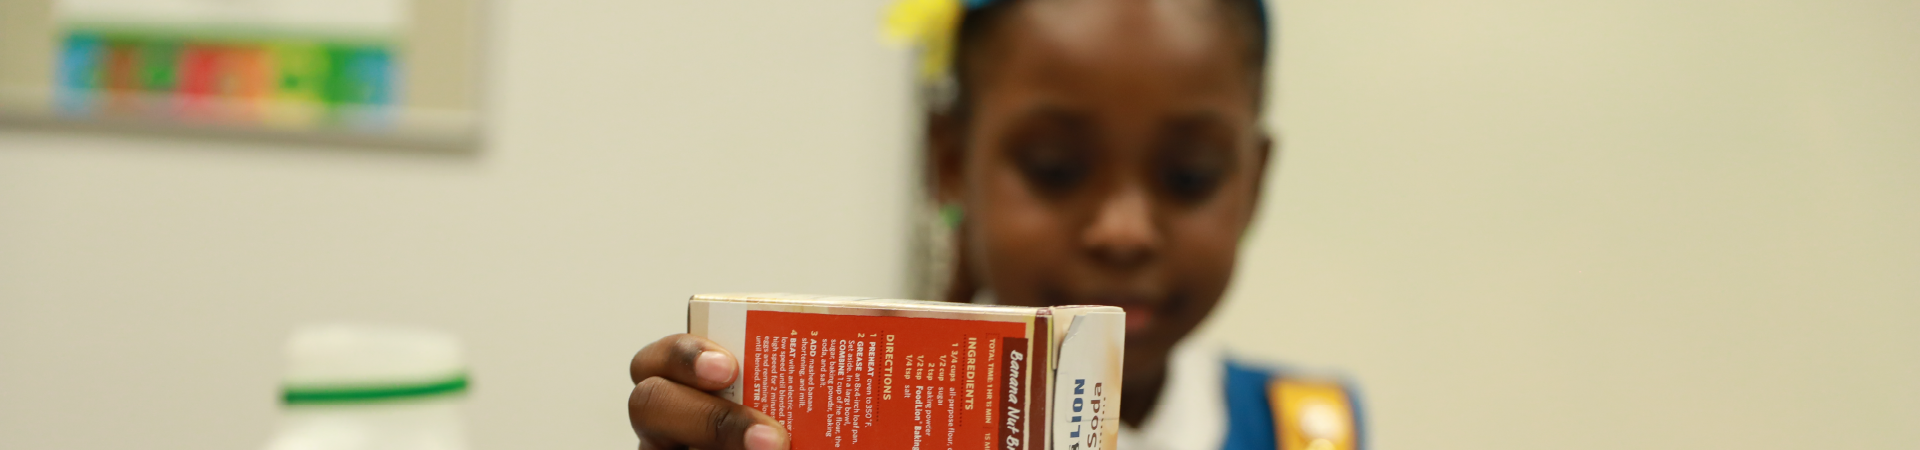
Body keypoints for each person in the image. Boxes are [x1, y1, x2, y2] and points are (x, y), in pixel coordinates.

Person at [627, 1, 1364, 450]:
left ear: (1255, 181)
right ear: (950, 161)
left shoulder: (1309, 430)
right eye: (1054, 167)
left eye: (1190, 177)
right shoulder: (836, 425)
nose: (1124, 230)